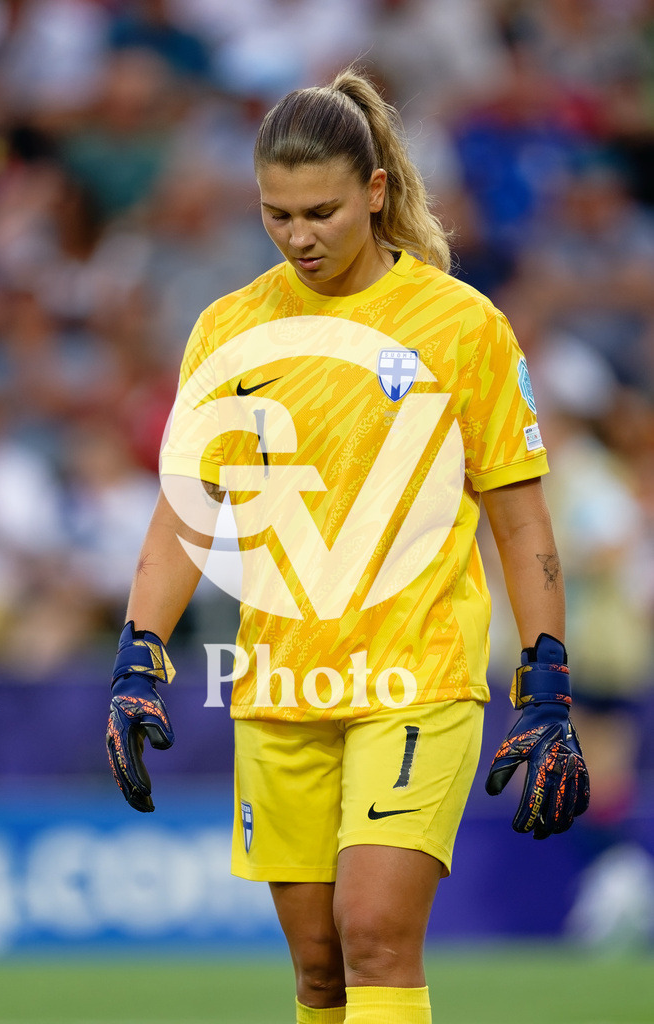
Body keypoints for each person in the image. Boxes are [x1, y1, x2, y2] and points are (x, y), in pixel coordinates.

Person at [106, 67, 589, 1024]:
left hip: (418, 670)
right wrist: (137, 658)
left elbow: (519, 515)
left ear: (374, 191)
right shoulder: (228, 330)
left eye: (320, 210)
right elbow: (185, 513)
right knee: (319, 967)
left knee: (373, 933)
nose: (298, 236)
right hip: (283, 680)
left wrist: (546, 681)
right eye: (275, 215)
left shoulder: (460, 326)